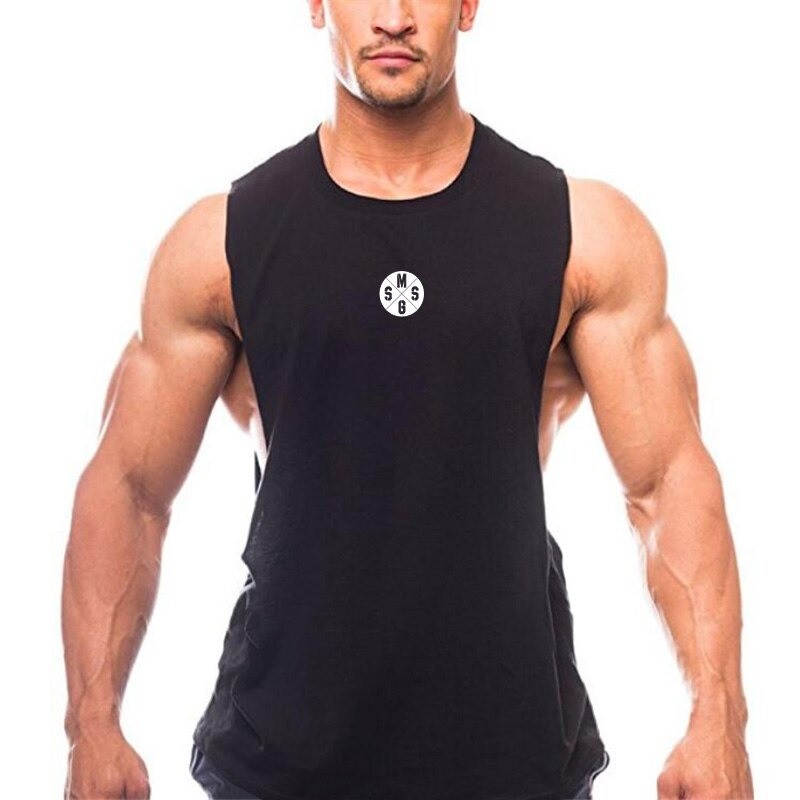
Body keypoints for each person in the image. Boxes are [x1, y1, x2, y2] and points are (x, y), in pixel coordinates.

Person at [61, 2, 753, 799]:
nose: (393, 17)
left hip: (514, 760)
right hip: (279, 763)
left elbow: (667, 483)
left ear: (468, 6)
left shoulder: (579, 235)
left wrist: (719, 720)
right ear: (317, 4)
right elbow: (130, 490)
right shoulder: (222, 243)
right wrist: (93, 726)